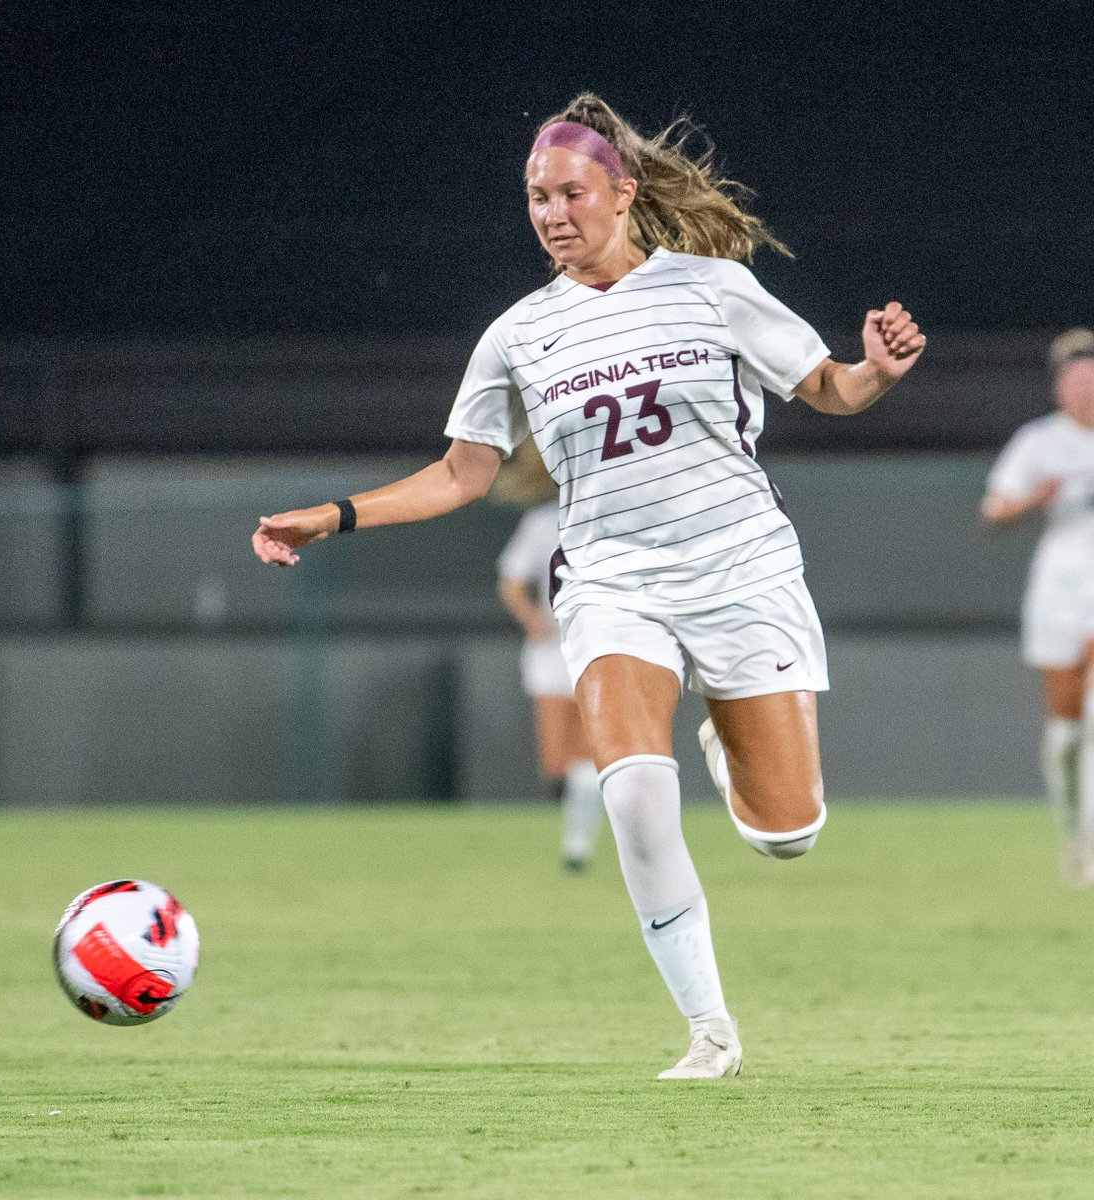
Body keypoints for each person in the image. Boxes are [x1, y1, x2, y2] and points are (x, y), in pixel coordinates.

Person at [252, 93, 925, 1079]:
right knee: (635, 800)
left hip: (742, 567)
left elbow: (827, 386)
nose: (553, 211)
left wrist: (877, 370)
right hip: (613, 581)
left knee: (790, 836)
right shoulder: (518, 336)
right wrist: (335, 512)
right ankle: (709, 1030)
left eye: (571, 192)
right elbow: (459, 476)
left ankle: (734, 752)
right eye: (536, 197)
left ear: (624, 191)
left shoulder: (711, 288)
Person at [981, 329, 1094, 885]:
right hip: (1060, 589)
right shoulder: (1039, 441)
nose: (1084, 390)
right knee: (1068, 732)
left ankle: (1093, 844)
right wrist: (1032, 501)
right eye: (1075, 381)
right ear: (1060, 388)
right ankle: (1072, 830)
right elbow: (993, 510)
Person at [494, 441, 603, 872]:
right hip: (550, 651)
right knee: (556, 760)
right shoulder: (542, 523)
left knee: (591, 750)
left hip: (599, 644)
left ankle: (577, 845)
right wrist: (532, 619)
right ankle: (578, 825)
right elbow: (511, 581)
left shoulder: (612, 517)